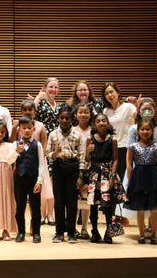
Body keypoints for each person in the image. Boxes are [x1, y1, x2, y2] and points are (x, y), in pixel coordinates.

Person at [124, 98, 157, 222]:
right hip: (139, 168)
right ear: (139, 111)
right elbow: (131, 149)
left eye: (150, 109)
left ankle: (151, 227)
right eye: (144, 109)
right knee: (141, 197)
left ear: (154, 110)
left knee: (155, 197)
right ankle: (142, 229)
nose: (147, 111)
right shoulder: (133, 128)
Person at [125, 118, 157, 244]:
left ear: (152, 131)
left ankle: (154, 234)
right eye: (142, 129)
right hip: (138, 178)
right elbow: (129, 165)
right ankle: (141, 234)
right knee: (140, 208)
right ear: (138, 131)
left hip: (154, 178)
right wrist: (130, 182)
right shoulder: (132, 147)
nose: (145, 131)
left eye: (148, 129)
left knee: (154, 208)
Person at [10, 99, 53, 226]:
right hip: (20, 163)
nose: (28, 112)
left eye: (30, 109)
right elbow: (12, 142)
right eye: (25, 109)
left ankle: (34, 228)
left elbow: (44, 144)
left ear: (35, 111)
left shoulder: (40, 125)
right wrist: (13, 129)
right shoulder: (18, 125)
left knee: (35, 201)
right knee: (20, 200)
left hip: (36, 161)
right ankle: (21, 229)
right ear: (21, 111)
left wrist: (41, 156)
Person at [47, 104, 85, 243]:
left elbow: (81, 155)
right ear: (58, 119)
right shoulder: (52, 134)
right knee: (59, 202)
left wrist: (80, 175)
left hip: (72, 167)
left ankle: (71, 233)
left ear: (71, 119)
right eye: (61, 118)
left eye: (67, 118)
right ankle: (59, 233)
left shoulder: (77, 134)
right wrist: (54, 154)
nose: (64, 120)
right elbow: (48, 154)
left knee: (71, 202)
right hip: (58, 167)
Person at [86, 113, 120, 244]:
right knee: (93, 204)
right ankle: (94, 231)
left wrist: (112, 175)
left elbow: (116, 159)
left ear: (108, 123)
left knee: (108, 205)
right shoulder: (90, 139)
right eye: (98, 121)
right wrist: (88, 151)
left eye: (104, 120)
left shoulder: (113, 139)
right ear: (94, 124)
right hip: (94, 174)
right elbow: (87, 159)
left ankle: (109, 232)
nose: (101, 123)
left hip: (107, 173)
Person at [13, 117, 46, 243]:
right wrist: (16, 152)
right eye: (24, 128)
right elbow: (10, 160)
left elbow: (41, 164)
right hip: (19, 179)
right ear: (19, 130)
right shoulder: (15, 144)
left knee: (35, 207)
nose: (26, 130)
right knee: (20, 207)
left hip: (33, 179)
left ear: (33, 129)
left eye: (29, 128)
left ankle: (36, 233)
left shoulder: (37, 145)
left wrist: (40, 181)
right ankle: (21, 232)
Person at [102, 82, 136, 182]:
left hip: (127, 146)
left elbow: (139, 118)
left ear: (118, 92)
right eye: (106, 93)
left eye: (111, 92)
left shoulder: (129, 106)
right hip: (112, 147)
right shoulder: (105, 111)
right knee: (115, 179)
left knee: (127, 178)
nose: (109, 95)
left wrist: (138, 107)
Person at [72, 102, 93, 240]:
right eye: (80, 112)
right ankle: (72, 228)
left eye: (86, 112)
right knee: (73, 200)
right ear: (75, 114)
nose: (83, 114)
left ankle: (85, 228)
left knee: (86, 201)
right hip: (73, 169)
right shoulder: (72, 130)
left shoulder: (94, 130)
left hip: (90, 169)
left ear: (90, 114)